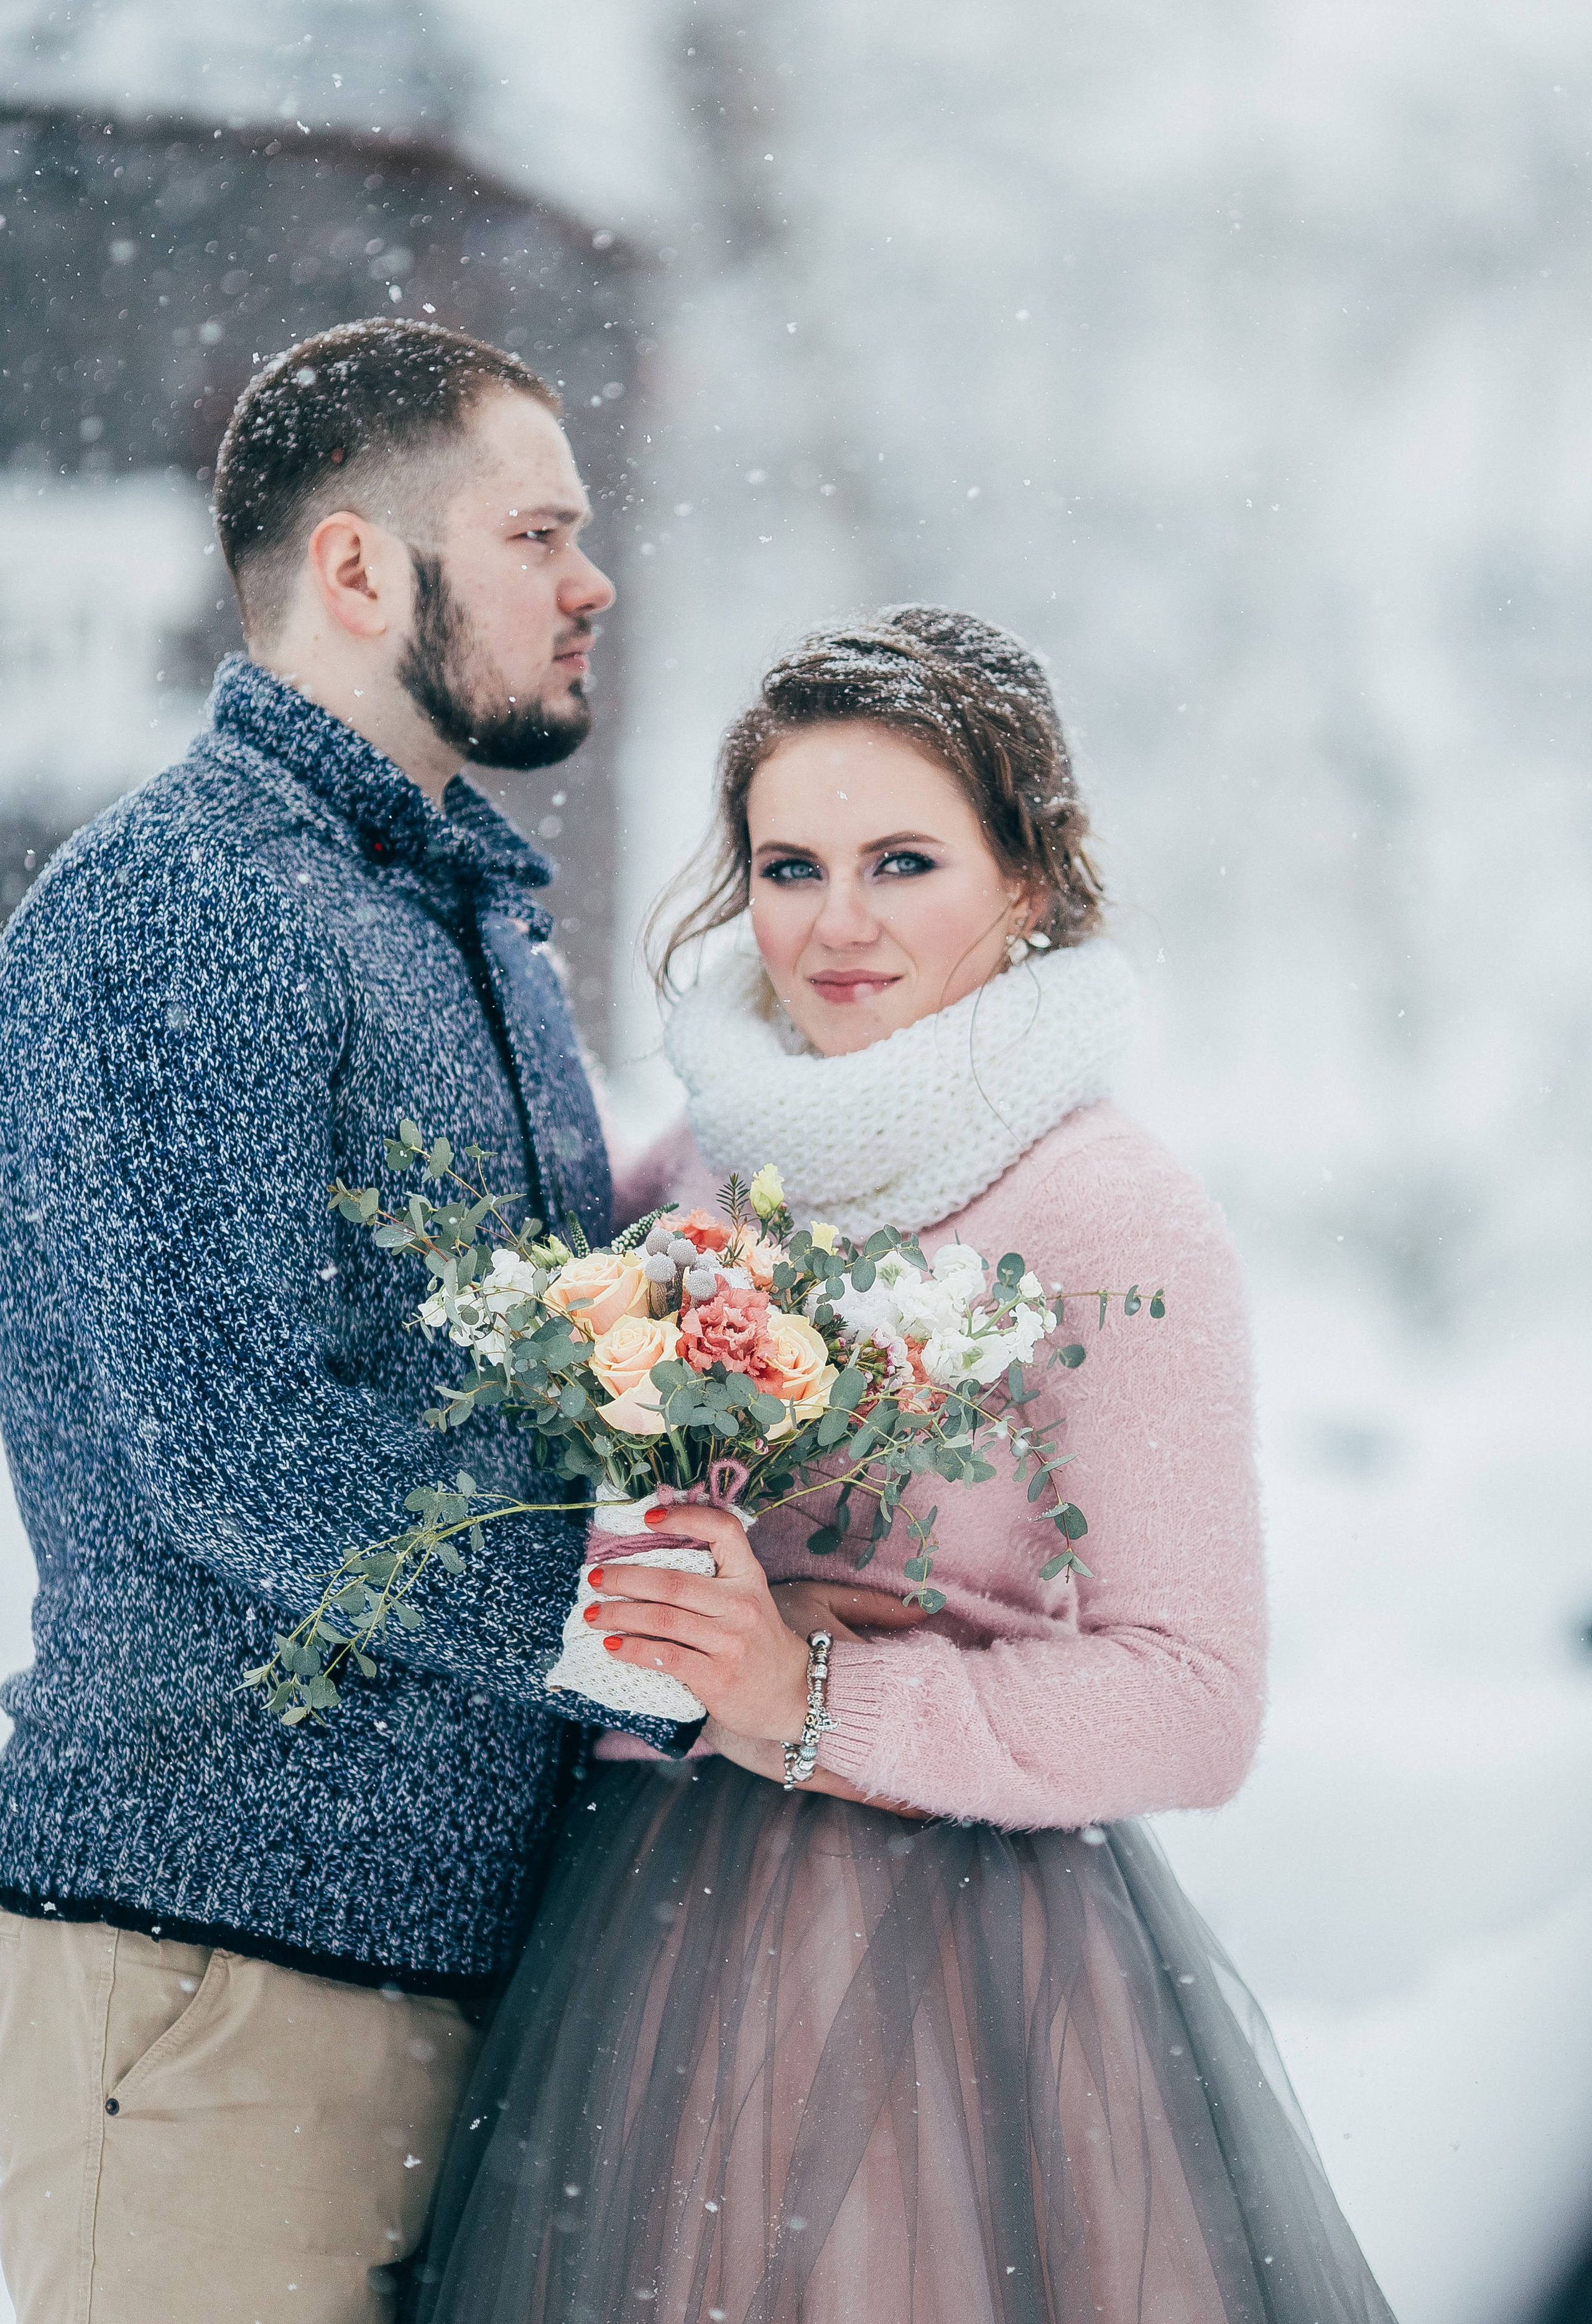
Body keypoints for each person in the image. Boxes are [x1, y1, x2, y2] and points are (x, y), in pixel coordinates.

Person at [412, 608, 1397, 2322]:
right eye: (789, 863)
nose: (836, 921)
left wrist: (814, 1692)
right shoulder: (700, 1167)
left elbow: (1195, 1695)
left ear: (1030, 883)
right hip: (646, 1942)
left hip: (966, 1972)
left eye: (903, 859)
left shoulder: (1107, 1203)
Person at [0, 316, 787, 2324]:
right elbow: (240, 1443)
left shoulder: (473, 925)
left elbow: (520, 1394)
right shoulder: (186, 907)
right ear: (359, 569)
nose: (592, 578)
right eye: (539, 531)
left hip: (458, 1966)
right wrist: (658, 1645)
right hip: (211, 1971)